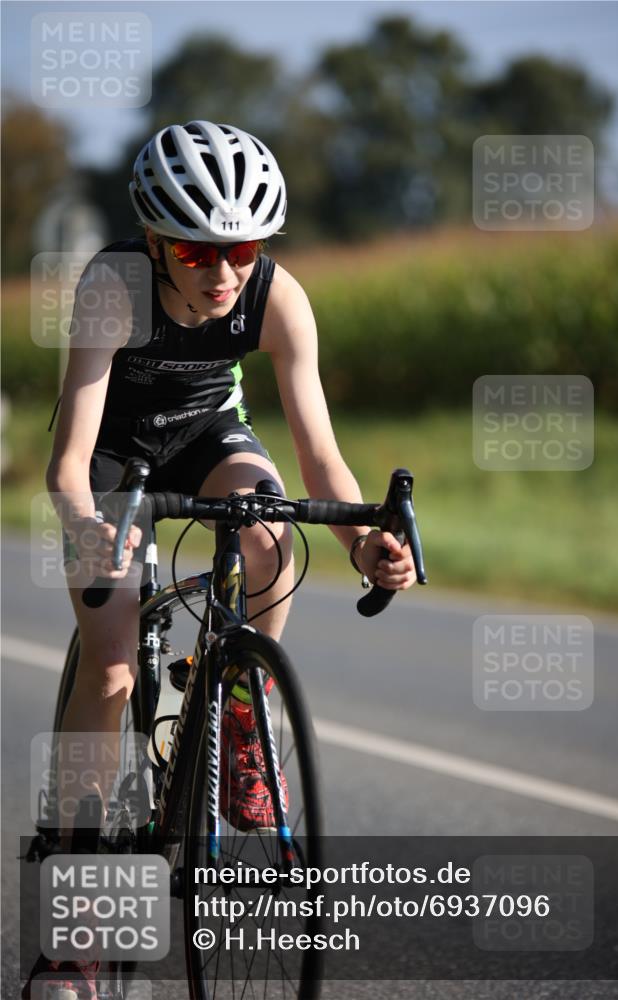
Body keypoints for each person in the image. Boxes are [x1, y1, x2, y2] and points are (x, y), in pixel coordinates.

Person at [24, 120, 417, 999]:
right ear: (157, 243)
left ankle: (239, 706)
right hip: (115, 454)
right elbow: (69, 455)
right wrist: (89, 525)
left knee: (272, 528)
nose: (224, 273)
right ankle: (75, 941)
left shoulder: (277, 297)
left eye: (240, 248)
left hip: (206, 433)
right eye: (198, 254)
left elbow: (319, 457)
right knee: (117, 667)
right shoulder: (112, 285)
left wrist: (365, 544)